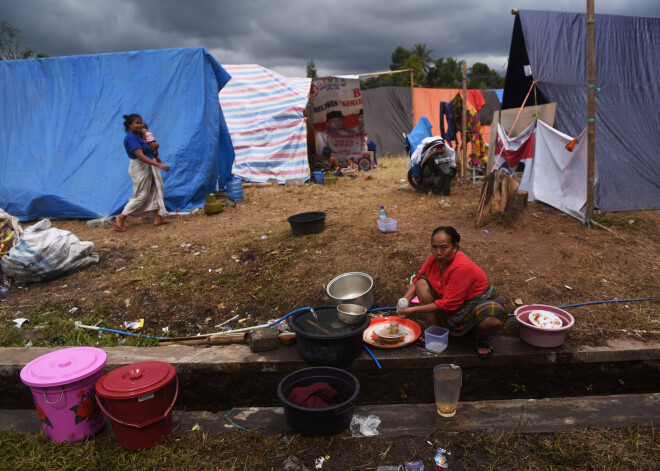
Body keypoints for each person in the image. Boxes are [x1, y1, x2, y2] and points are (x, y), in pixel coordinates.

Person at [396, 226, 506, 358]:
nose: (438, 252)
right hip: (450, 300)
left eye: (443, 247)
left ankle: (479, 338)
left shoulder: (461, 267)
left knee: (493, 318)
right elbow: (418, 278)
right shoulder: (434, 260)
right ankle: (435, 329)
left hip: (475, 302)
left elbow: (448, 304)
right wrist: (404, 300)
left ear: (455, 247)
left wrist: (411, 311)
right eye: (434, 247)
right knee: (421, 283)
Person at [110, 114, 171, 232]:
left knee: (155, 190)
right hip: (140, 168)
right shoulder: (130, 138)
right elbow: (140, 156)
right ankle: (121, 216)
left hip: (148, 166)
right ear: (129, 125)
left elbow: (149, 150)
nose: (140, 125)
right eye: (137, 123)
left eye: (141, 122)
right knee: (141, 194)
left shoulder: (139, 136)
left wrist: (154, 148)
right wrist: (159, 164)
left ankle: (157, 218)